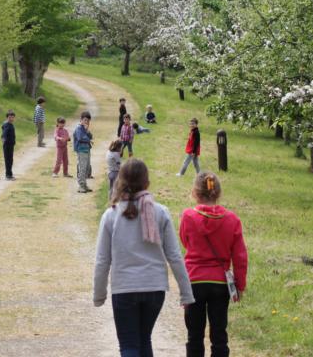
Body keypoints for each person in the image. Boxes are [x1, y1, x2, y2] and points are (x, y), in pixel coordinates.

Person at [93, 159, 195, 357]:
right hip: (155, 289)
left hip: (124, 288)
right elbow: (174, 256)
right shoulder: (161, 212)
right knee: (144, 339)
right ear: (147, 182)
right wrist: (186, 293)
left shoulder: (111, 215)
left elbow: (102, 261)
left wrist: (99, 294)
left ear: (120, 182)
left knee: (129, 344)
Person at [180, 172, 248, 357]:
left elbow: (185, 242)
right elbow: (240, 256)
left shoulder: (188, 216)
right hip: (220, 283)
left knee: (194, 335)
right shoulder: (232, 219)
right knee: (219, 335)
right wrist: (240, 285)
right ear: (218, 193)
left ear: (195, 192)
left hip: (194, 281)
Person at [73, 111, 93, 193]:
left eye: (88, 121)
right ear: (81, 120)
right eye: (85, 120)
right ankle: (81, 186)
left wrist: (87, 131)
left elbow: (91, 136)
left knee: (87, 168)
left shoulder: (85, 128)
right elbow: (80, 138)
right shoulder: (78, 128)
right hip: (81, 150)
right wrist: (89, 139)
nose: (86, 122)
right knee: (82, 168)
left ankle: (84, 184)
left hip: (87, 149)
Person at [1, 110, 16, 181]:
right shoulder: (7, 124)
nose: (11, 119)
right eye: (10, 117)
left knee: (10, 160)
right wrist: (4, 140)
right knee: (8, 160)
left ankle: (10, 174)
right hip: (7, 145)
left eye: (13, 117)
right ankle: (8, 175)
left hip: (11, 145)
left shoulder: (10, 124)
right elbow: (4, 134)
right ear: (7, 117)